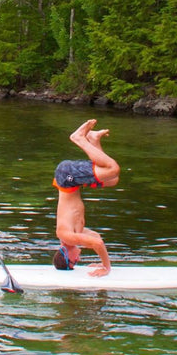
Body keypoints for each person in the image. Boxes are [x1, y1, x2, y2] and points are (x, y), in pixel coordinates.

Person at [52, 119, 121, 277]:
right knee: (112, 180)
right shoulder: (75, 234)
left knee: (113, 168)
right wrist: (100, 259)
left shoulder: (66, 236)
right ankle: (94, 139)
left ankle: (79, 138)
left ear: (67, 256)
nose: (79, 259)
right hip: (72, 181)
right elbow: (96, 238)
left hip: (67, 178)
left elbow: (96, 243)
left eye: (75, 261)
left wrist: (106, 267)